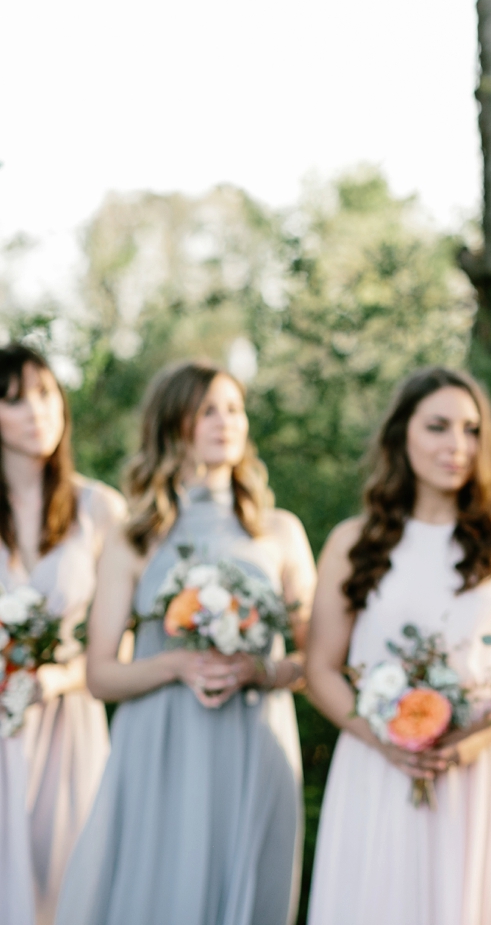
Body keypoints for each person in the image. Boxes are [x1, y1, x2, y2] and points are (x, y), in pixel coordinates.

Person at [56, 362, 315, 925]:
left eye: (234, 408)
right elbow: (101, 674)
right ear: (174, 423)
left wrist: (258, 670)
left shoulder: (279, 532)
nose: (227, 422)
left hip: (255, 739)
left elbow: (313, 662)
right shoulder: (135, 539)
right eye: (208, 410)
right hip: (161, 743)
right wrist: (176, 663)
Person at [303, 367, 491, 925]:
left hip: (483, 774)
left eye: (471, 429)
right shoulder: (355, 542)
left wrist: (471, 744)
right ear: (401, 435)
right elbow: (320, 669)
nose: (457, 445)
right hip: (380, 771)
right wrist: (384, 742)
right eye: (438, 426)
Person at [0, 347, 125, 925]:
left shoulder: (99, 509)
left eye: (47, 393)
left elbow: (126, 644)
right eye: (16, 398)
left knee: (73, 887)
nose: (37, 411)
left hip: (69, 723)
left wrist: (59, 676)